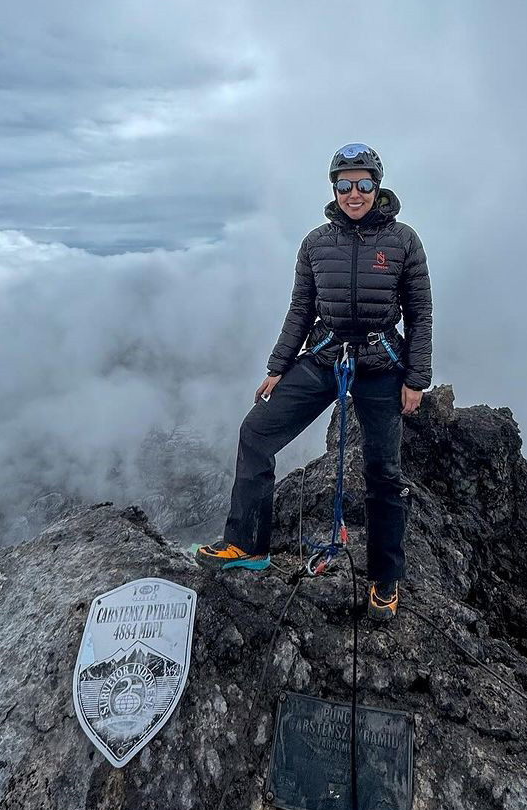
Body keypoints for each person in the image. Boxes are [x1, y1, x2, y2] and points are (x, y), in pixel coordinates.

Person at [195, 143, 433, 621]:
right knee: (256, 433)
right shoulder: (315, 243)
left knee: (384, 473)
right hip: (324, 357)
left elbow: (420, 313)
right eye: (344, 184)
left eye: (363, 183)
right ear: (334, 189)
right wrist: (278, 366)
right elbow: (301, 309)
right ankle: (246, 544)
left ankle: (384, 578)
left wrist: (417, 379)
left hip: (381, 363)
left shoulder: (404, 240)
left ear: (377, 186)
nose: (354, 193)